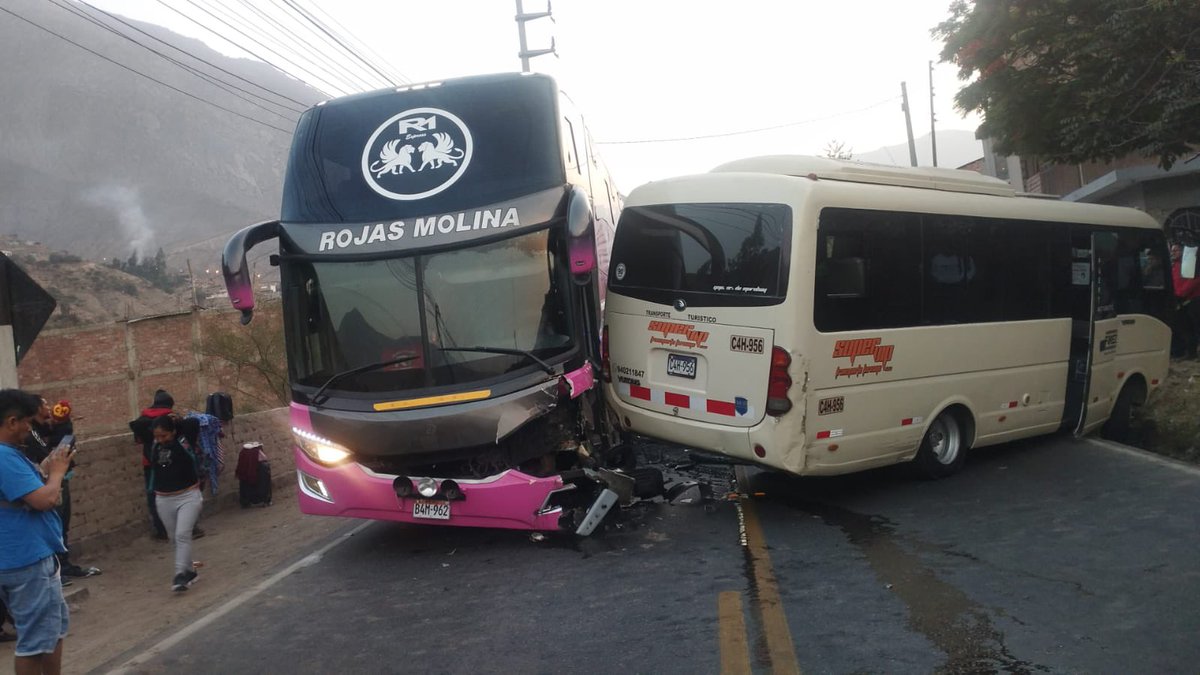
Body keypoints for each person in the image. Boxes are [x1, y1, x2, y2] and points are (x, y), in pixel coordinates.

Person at [0, 388, 73, 674]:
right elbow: (44, 500)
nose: (30, 428)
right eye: (27, 422)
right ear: (11, 422)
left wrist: (46, 467)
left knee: (52, 630)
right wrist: (57, 473)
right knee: (33, 642)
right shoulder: (3, 456)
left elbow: (19, 492)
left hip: (21, 556)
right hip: (26, 559)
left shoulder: (10, 456)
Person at [129, 390, 204, 541]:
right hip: (174, 464)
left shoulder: (143, 421)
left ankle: (161, 531)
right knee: (184, 497)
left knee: (155, 497)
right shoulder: (167, 421)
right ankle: (190, 528)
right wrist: (168, 420)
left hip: (151, 464)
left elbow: (135, 428)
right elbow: (193, 425)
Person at [147, 415, 202, 592]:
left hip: (188, 496)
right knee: (174, 539)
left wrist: (176, 420)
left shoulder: (184, 442)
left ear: (173, 432)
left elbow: (193, 423)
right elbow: (137, 426)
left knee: (182, 535)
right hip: (163, 499)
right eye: (157, 436)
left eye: (164, 435)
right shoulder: (155, 447)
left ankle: (180, 575)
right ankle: (190, 571)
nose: (161, 439)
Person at [1170, 243, 1200, 358]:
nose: (1173, 253)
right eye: (1172, 251)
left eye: (1176, 250)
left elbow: (1194, 280)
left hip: (1191, 299)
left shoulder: (1190, 264)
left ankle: (1192, 352)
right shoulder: (1175, 265)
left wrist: (1181, 293)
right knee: (1183, 327)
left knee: (1192, 326)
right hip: (1181, 298)